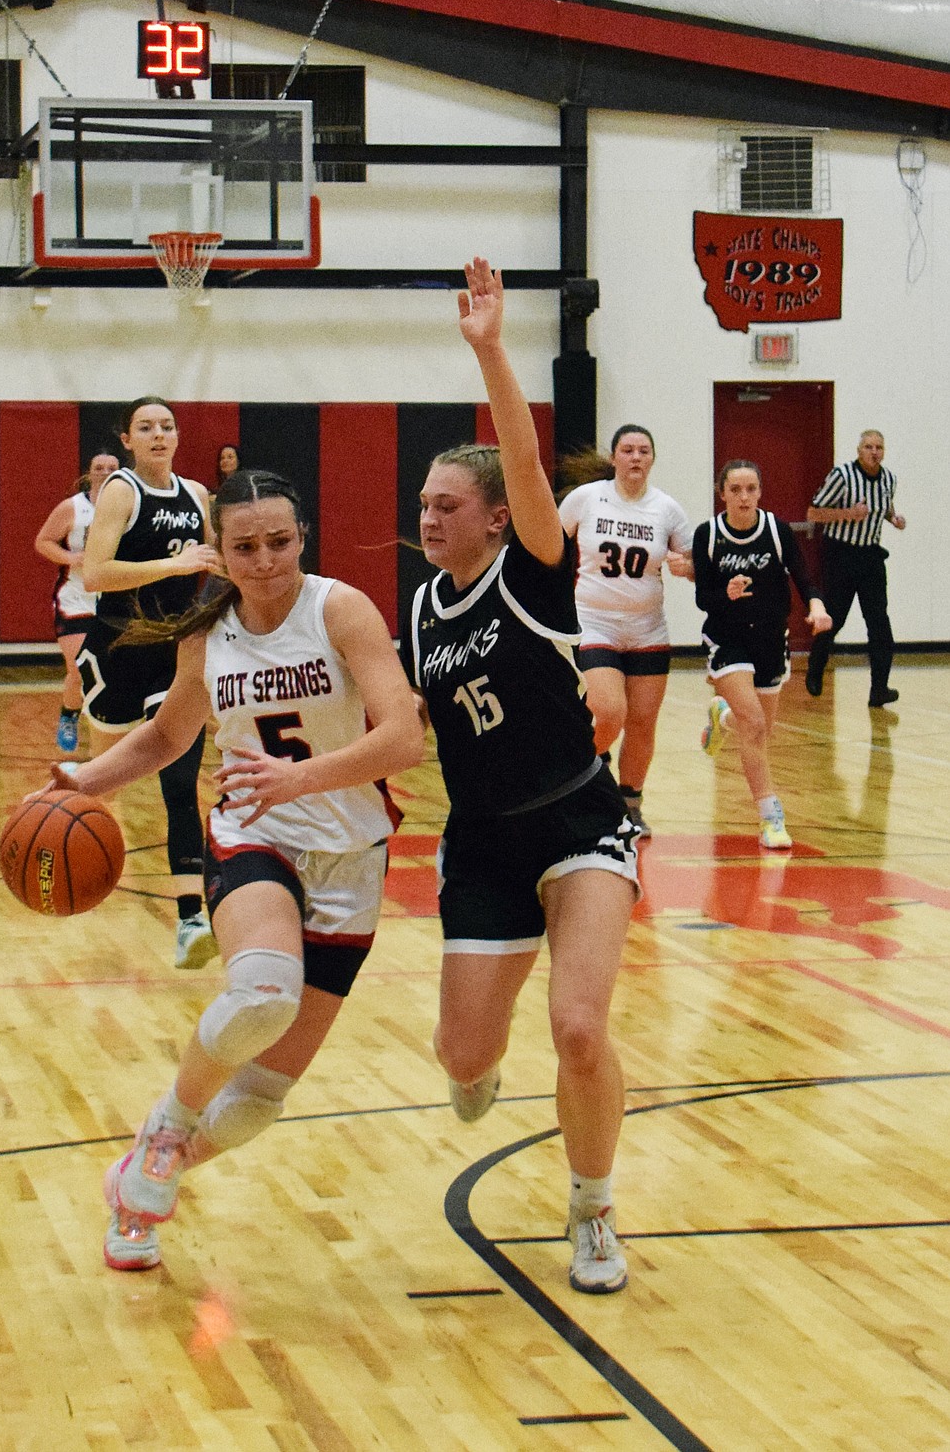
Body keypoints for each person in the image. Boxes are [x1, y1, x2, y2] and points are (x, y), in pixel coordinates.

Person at [48, 468, 423, 1271]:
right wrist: (81, 783)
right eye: (244, 546)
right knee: (258, 994)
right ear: (216, 549)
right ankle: (167, 1125)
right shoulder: (208, 629)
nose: (263, 561)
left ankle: (140, 1186)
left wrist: (305, 777)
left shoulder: (340, 609)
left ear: (301, 539)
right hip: (255, 835)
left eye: (279, 542)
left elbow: (403, 739)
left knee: (256, 1103)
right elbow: (166, 737)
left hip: (350, 855)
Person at [404, 259, 640, 1295]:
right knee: (462, 1059)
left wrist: (492, 348)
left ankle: (592, 1209)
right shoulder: (417, 611)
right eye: (423, 504)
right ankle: (477, 1061)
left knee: (580, 1029)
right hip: (485, 838)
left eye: (449, 504)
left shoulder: (532, 566)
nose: (429, 518)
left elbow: (526, 459)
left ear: (498, 517)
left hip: (580, 820)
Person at [77, 397, 225, 970]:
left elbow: (213, 564)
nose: (159, 434)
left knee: (180, 778)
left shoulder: (196, 496)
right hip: (118, 651)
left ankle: (191, 919)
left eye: (167, 426)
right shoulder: (122, 491)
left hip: (174, 654)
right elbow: (96, 573)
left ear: (178, 437)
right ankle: (51, 835)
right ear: (128, 439)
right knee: (99, 783)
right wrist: (175, 565)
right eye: (146, 427)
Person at [557, 428, 694, 837]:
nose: (635, 457)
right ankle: (576, 779)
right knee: (608, 712)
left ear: (652, 459)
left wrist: (686, 567)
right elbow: (548, 545)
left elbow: (692, 560)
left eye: (643, 451)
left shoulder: (667, 509)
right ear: (614, 458)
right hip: (594, 621)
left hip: (648, 628)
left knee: (642, 723)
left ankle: (630, 803)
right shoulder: (586, 498)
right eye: (627, 450)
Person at [695, 460, 832, 849]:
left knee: (760, 731)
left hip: (771, 640)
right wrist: (727, 594)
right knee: (753, 723)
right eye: (735, 489)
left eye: (750, 488)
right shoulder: (709, 535)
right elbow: (702, 596)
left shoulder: (777, 531)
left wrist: (817, 606)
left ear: (760, 492)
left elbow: (803, 577)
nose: (743, 496)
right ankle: (771, 818)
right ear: (722, 493)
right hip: (727, 640)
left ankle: (722, 717)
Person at [804, 430, 906, 707]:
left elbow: (883, 505)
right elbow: (813, 513)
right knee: (835, 617)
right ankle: (815, 668)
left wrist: (893, 517)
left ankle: (879, 688)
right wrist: (847, 513)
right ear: (859, 450)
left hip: (871, 556)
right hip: (840, 554)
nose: (875, 452)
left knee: (879, 624)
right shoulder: (842, 476)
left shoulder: (888, 478)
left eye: (879, 447)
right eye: (869, 447)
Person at [33, 451, 119, 753]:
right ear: (89, 472)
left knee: (113, 670)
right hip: (76, 598)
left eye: (112, 468)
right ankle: (69, 717)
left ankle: (107, 728)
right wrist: (72, 557)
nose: (106, 472)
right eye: (99, 467)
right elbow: (43, 541)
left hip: (113, 599)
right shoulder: (73, 508)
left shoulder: (129, 507)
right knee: (81, 668)